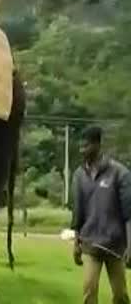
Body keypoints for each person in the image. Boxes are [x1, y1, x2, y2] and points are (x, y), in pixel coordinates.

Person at [71, 125, 131, 304]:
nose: (82, 150)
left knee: (120, 295)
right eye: (80, 146)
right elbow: (78, 213)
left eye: (86, 146)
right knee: (89, 291)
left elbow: (129, 213)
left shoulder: (119, 173)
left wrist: (130, 245)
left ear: (97, 145)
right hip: (90, 245)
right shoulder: (79, 175)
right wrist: (76, 243)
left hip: (115, 245)